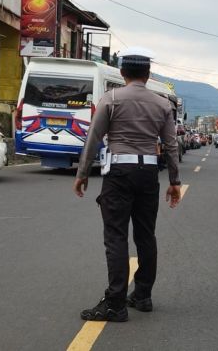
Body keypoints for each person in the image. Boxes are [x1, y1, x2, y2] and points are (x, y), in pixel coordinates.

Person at [73, 47, 182, 322]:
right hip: (148, 173)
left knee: (116, 236)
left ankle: (115, 303)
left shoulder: (110, 99)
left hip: (119, 172)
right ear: (148, 74)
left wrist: (82, 173)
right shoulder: (163, 104)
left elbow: (93, 137)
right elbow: (171, 145)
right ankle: (142, 295)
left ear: (122, 73)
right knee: (146, 235)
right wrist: (174, 181)